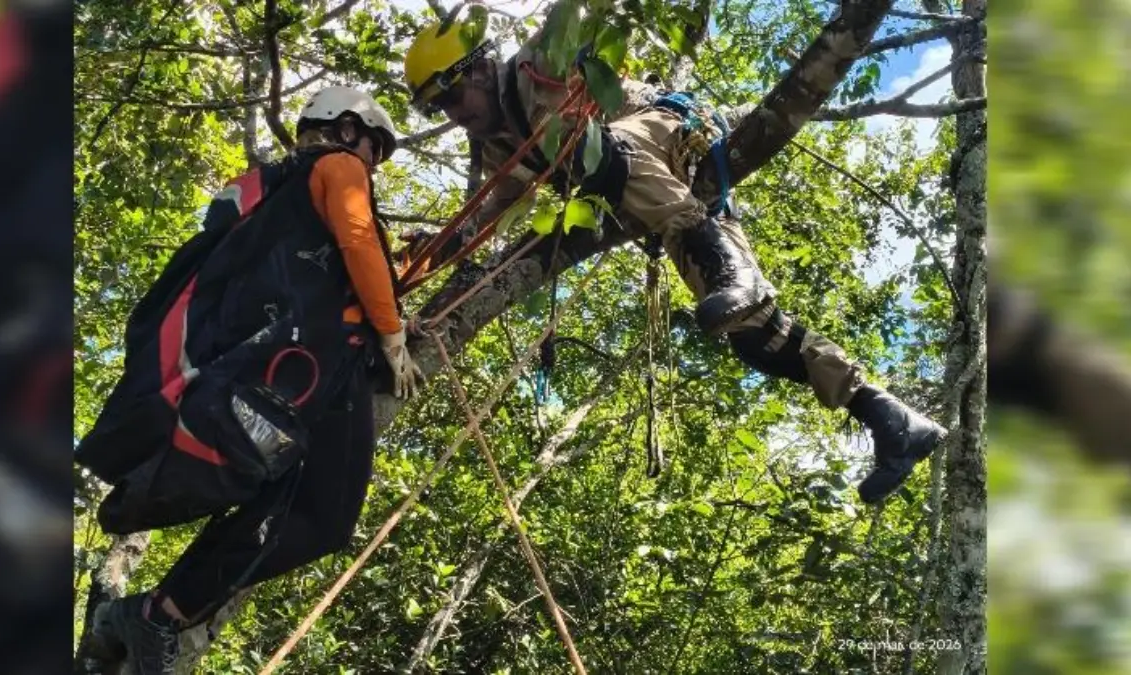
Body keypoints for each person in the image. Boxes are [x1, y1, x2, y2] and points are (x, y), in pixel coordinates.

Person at [401, 21, 946, 505]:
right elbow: (494, 208)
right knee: (752, 335)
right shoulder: (497, 143)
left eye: (452, 96)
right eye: (437, 109)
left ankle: (731, 267)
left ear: (479, 66)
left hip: (667, 131)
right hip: (655, 195)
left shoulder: (542, 59)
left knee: (599, 149)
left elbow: (593, 19)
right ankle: (887, 416)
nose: (452, 116)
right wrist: (436, 246)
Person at [91, 87, 424, 674]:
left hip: (270, 376)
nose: (372, 165)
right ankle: (157, 615)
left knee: (278, 506)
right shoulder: (338, 165)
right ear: (349, 130)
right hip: (324, 370)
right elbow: (357, 238)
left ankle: (155, 615)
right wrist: (393, 335)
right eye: (375, 148)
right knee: (325, 518)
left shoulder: (269, 191)